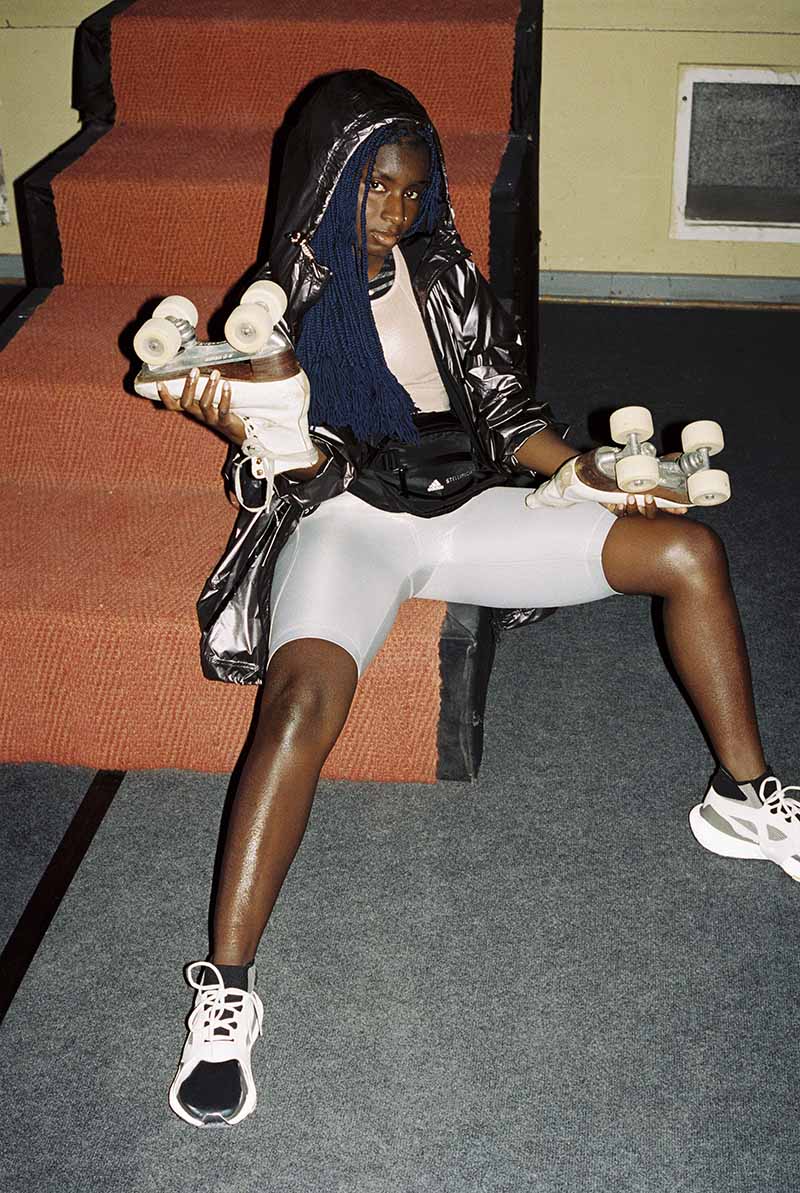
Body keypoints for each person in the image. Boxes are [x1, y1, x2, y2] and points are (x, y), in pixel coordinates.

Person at [154, 71, 798, 1128]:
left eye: (414, 189)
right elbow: (278, 456)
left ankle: (743, 795)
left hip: (460, 502)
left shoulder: (443, 272)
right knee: (302, 703)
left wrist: (586, 472)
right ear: (330, 182)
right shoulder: (275, 305)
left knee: (687, 549)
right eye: (375, 187)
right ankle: (226, 988)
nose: (396, 209)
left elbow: (504, 411)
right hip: (349, 519)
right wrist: (255, 433)